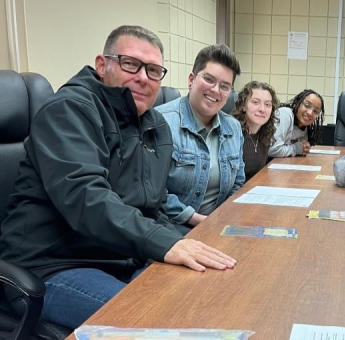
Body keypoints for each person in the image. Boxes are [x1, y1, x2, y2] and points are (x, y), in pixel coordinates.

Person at [0, 25, 236, 329]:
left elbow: (153, 206)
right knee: (158, 323)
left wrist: (188, 243)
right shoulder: (68, 110)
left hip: (120, 256)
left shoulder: (154, 127)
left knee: (207, 294)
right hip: (53, 266)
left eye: (153, 70)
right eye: (130, 64)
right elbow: (87, 199)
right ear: (102, 65)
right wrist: (164, 244)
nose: (142, 77)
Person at [156, 44, 244, 228]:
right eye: (209, 79)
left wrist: (222, 220)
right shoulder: (161, 122)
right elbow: (155, 192)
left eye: (224, 86)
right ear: (191, 79)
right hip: (171, 226)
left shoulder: (234, 128)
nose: (215, 90)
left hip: (217, 225)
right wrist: (200, 221)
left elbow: (238, 183)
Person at [231, 81, 280, 180]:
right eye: (255, 102)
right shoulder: (232, 134)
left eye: (267, 104)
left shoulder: (265, 134)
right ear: (243, 106)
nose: (262, 109)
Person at [268, 89, 325, 157]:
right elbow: (273, 150)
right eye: (307, 105)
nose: (310, 113)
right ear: (296, 104)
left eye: (315, 111)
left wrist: (304, 148)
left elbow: (301, 150)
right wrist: (297, 148)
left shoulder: (305, 126)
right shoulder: (285, 114)